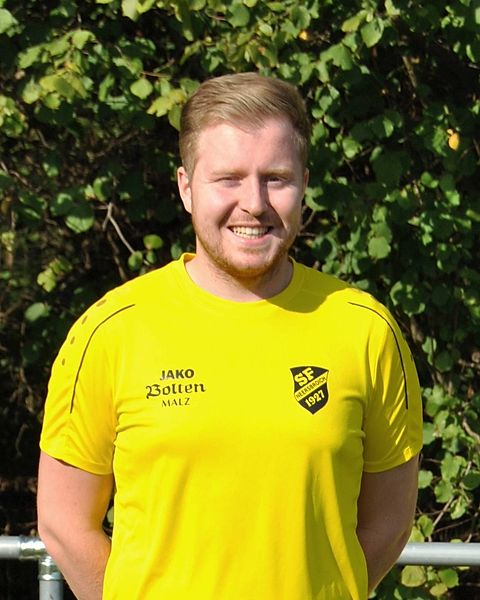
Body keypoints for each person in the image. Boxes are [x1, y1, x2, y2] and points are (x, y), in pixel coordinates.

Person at [37, 72, 423, 600]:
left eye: (276, 178)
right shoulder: (112, 330)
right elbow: (63, 522)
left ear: (304, 184)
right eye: (228, 179)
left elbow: (389, 523)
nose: (254, 203)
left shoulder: (366, 330)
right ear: (186, 187)